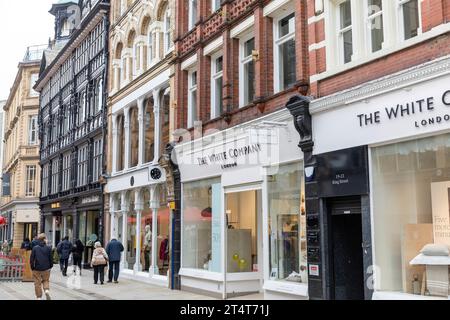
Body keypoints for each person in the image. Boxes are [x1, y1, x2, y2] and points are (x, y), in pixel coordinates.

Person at [30, 233, 53, 300]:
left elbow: (31, 259)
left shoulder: (35, 248)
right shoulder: (49, 248)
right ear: (44, 239)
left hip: (37, 268)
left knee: (37, 283)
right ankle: (46, 291)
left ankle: (39, 297)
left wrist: (32, 267)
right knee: (46, 280)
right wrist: (50, 266)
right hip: (46, 268)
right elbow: (51, 258)